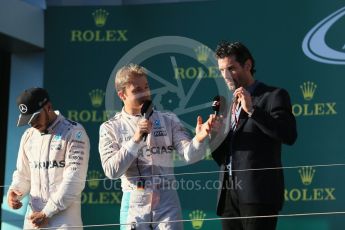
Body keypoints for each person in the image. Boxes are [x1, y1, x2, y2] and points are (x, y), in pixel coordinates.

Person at [99, 63, 215, 230]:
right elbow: (111, 171)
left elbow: (190, 155)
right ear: (121, 95)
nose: (145, 93)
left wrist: (199, 138)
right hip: (134, 201)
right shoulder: (110, 127)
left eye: (146, 87)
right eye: (137, 90)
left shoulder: (169, 119)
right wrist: (136, 138)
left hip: (167, 199)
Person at [211, 41, 297, 230]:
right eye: (221, 70)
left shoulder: (274, 95)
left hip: (258, 194)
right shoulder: (224, 103)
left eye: (231, 68)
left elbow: (288, 135)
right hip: (228, 196)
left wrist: (252, 110)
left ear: (247, 65)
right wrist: (213, 137)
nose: (225, 75)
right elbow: (221, 157)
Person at [7, 87, 90, 229]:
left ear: (48, 107)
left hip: (64, 221)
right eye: (28, 120)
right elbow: (23, 174)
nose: (32, 124)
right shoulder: (28, 135)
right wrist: (14, 192)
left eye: (36, 117)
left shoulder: (74, 132)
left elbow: (74, 180)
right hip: (32, 219)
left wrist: (47, 212)